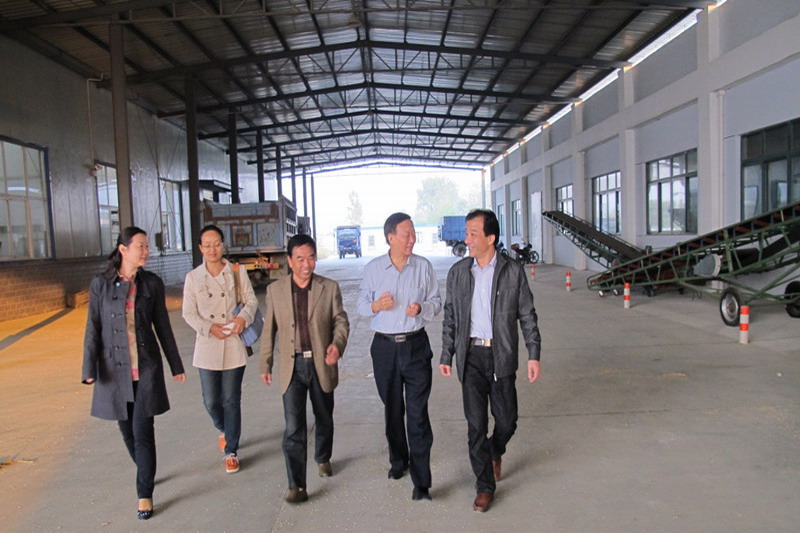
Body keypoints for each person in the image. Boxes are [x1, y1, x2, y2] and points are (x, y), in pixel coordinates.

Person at [440, 209, 542, 513]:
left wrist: (533, 353)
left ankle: (494, 450)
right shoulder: (458, 272)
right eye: (467, 233)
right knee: (476, 425)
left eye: (473, 233)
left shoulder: (512, 271)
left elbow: (527, 314)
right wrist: (447, 353)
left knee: (507, 421)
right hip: (470, 356)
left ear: (490, 238)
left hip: (501, 355)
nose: (467, 239)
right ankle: (484, 486)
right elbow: (450, 316)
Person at [82, 226, 186, 520]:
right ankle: (145, 469)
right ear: (123, 249)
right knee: (127, 432)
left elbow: (162, 327)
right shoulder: (101, 285)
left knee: (143, 432)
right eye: (140, 246)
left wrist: (176, 365)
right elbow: (93, 328)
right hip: (115, 372)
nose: (146, 251)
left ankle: (144, 495)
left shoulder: (152, 283)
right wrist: (89, 368)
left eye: (147, 246)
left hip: (146, 369)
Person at [357, 212, 442, 502]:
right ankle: (398, 461)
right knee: (393, 409)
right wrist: (376, 305)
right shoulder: (373, 269)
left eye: (413, 234)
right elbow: (360, 305)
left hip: (416, 347)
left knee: (417, 414)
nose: (412, 239)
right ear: (390, 237)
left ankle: (422, 482)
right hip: (385, 349)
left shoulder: (423, 266)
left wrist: (422, 309)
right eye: (406, 234)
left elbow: (436, 301)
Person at [260, 234, 349, 503]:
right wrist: (266, 363)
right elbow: (269, 330)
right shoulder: (275, 291)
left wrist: (337, 345)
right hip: (292, 366)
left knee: (324, 417)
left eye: (310, 257)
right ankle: (296, 485)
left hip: (321, 362)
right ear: (289, 261)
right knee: (293, 427)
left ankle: (323, 456)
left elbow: (341, 321)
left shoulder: (328, 288)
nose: (306, 264)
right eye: (300, 259)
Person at [182, 224, 258, 474]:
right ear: (200, 248)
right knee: (211, 401)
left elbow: (251, 300)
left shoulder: (236, 271)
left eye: (216, 244)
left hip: (233, 342)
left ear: (223, 245)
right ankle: (225, 429)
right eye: (207, 245)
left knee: (231, 399)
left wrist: (243, 318)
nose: (212, 249)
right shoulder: (193, 278)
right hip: (207, 345)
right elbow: (188, 313)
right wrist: (208, 328)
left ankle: (231, 451)